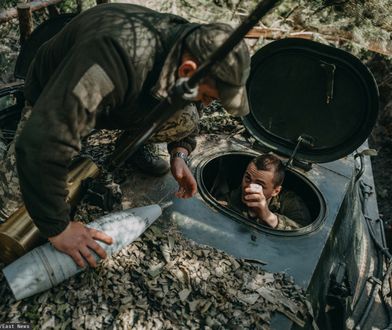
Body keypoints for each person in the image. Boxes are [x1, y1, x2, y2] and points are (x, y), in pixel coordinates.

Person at [0, 3, 250, 267]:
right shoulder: (113, 57)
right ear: (187, 70)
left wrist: (180, 152)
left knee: (186, 119)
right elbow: (41, 143)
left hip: (120, 98)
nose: (208, 104)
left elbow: (189, 99)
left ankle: (135, 144)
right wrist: (58, 228)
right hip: (56, 95)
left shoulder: (188, 46)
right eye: (210, 96)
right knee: (15, 200)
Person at [217, 154, 311, 230]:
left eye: (260, 185)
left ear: (276, 191)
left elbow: (304, 235)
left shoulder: (290, 202)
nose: (249, 188)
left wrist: (268, 216)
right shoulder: (230, 198)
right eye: (247, 178)